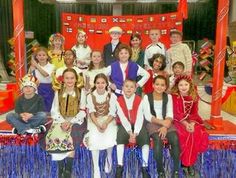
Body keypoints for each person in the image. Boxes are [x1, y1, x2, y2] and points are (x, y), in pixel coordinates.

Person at [45, 68, 86, 178]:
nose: (69, 80)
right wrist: (63, 121)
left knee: (70, 137)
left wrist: (70, 122)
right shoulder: (58, 91)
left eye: (72, 78)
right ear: (63, 79)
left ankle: (68, 169)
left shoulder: (81, 91)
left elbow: (83, 110)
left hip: (76, 120)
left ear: (76, 79)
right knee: (55, 135)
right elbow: (54, 110)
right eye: (67, 78)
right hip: (60, 119)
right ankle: (60, 168)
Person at [143, 75, 180, 178]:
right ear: (153, 85)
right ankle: (160, 171)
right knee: (157, 140)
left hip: (167, 122)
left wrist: (165, 126)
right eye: (157, 84)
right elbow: (147, 116)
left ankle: (176, 170)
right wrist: (162, 123)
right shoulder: (147, 97)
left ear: (165, 87)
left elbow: (170, 113)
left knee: (175, 138)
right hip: (152, 122)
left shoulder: (168, 97)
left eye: (162, 85)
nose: (159, 87)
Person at [171, 74, 209, 176]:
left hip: (192, 120)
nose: (183, 87)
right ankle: (184, 163)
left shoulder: (194, 96)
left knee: (197, 133)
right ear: (177, 86)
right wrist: (186, 124)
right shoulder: (175, 96)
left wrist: (191, 124)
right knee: (185, 134)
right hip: (179, 120)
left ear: (190, 85)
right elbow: (176, 112)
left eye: (186, 84)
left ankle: (190, 163)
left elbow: (195, 113)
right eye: (180, 85)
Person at [115, 79, 150, 178]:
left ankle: (144, 167)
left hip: (138, 125)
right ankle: (119, 166)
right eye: (126, 86)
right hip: (125, 125)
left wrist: (136, 132)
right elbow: (122, 117)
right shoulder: (119, 100)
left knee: (145, 140)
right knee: (120, 138)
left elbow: (140, 117)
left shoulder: (139, 100)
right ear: (122, 88)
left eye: (131, 87)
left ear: (135, 89)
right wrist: (130, 132)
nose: (129, 89)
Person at [86, 73, 117, 178]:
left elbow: (113, 112)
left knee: (110, 133)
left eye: (103, 82)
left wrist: (105, 123)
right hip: (94, 120)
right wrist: (98, 124)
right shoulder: (90, 96)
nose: (100, 85)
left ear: (106, 84)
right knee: (93, 137)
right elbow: (91, 112)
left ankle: (109, 158)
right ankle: (96, 168)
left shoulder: (111, 96)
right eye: (98, 83)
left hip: (108, 119)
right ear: (94, 83)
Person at [28, 47, 55, 112]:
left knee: (49, 108)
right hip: (37, 88)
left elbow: (45, 75)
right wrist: (31, 70)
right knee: (39, 109)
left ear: (47, 57)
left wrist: (36, 66)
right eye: (39, 55)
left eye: (44, 55)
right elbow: (29, 79)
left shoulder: (51, 66)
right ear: (36, 57)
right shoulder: (33, 67)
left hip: (48, 90)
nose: (41, 57)